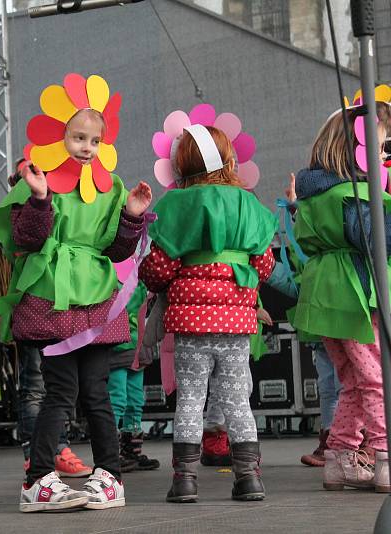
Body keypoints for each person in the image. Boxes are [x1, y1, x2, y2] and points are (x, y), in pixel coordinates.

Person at [0, 74, 152, 512]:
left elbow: (115, 248)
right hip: (53, 295)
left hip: (96, 297)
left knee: (96, 392)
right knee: (60, 392)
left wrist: (133, 217)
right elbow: (25, 239)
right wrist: (41, 200)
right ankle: (38, 479)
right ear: (57, 137)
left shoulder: (111, 186)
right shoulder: (40, 180)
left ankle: (110, 476)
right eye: (78, 137)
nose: (86, 146)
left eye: (94, 140)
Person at [139, 124, 276, 503]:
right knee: (236, 400)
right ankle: (249, 479)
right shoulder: (248, 203)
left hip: (190, 325)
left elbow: (158, 270)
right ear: (229, 158)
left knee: (190, 401)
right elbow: (263, 265)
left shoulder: (174, 206)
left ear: (180, 164)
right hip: (235, 323)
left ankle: (184, 481)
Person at [291, 102, 391, 492]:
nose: (384, 157)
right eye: (381, 148)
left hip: (326, 295)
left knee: (352, 380)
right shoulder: (355, 193)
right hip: (354, 293)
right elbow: (373, 239)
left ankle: (341, 457)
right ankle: (384, 456)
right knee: (377, 378)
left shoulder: (318, 190)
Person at [7, 162, 92, 478]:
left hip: (60, 311)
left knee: (61, 386)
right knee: (35, 386)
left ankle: (58, 447)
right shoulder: (25, 201)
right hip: (34, 308)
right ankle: (38, 453)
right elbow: (25, 239)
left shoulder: (69, 196)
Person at [107, 281, 160, 472]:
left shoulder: (139, 278)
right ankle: (110, 453)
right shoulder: (110, 273)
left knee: (135, 400)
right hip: (116, 344)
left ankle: (132, 452)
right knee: (117, 399)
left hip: (136, 345)